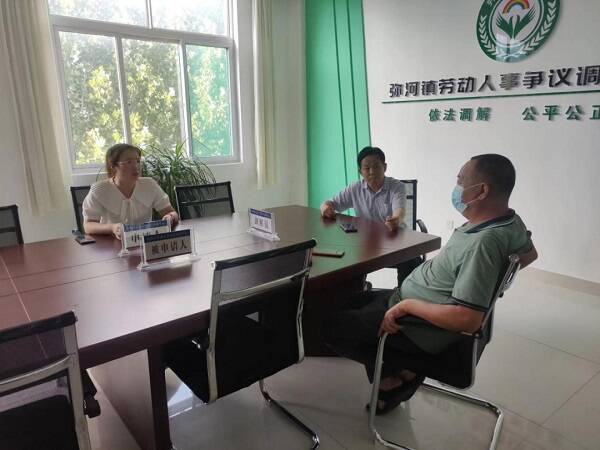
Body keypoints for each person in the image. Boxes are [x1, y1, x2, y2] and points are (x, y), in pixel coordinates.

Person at [326, 154, 538, 415]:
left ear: (482, 191)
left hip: (418, 324)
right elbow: (530, 254)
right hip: (413, 301)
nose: (457, 187)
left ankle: (397, 376)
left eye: (461, 180)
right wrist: (489, 280)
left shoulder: (485, 243)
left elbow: (468, 319)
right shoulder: (510, 221)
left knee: (329, 327)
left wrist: (408, 306)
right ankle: (402, 370)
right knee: (347, 301)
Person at [82, 143, 179, 239]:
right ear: (113, 166)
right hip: (111, 244)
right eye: (129, 162)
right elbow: (88, 225)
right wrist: (112, 228)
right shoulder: (99, 190)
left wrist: (170, 217)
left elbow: (170, 212)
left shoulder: (149, 185)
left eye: (138, 161)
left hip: (144, 242)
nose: (136, 166)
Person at [320, 146, 406, 231]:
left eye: (376, 166)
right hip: (367, 236)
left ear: (385, 167)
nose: (372, 172)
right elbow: (330, 203)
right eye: (367, 168)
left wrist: (396, 220)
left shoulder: (397, 186)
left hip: (394, 234)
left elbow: (399, 211)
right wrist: (325, 207)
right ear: (360, 172)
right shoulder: (355, 189)